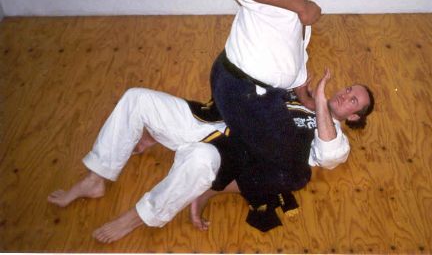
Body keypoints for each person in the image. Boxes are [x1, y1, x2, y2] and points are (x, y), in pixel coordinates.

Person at [47, 69, 374, 243]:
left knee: (200, 163)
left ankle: (137, 217)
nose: (346, 94)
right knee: (137, 99)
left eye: (353, 101)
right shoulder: (296, 94)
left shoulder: (335, 140)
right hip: (211, 122)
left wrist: (318, 102)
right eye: (349, 90)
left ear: (355, 118)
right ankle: (96, 178)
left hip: (229, 152)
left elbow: (328, 156)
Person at [210, 0, 345, 170]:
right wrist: (303, 6)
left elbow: (294, 52)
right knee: (291, 170)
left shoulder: (293, 2)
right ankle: (207, 181)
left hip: (260, 93)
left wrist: (303, 93)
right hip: (242, 88)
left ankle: (188, 133)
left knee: (285, 151)